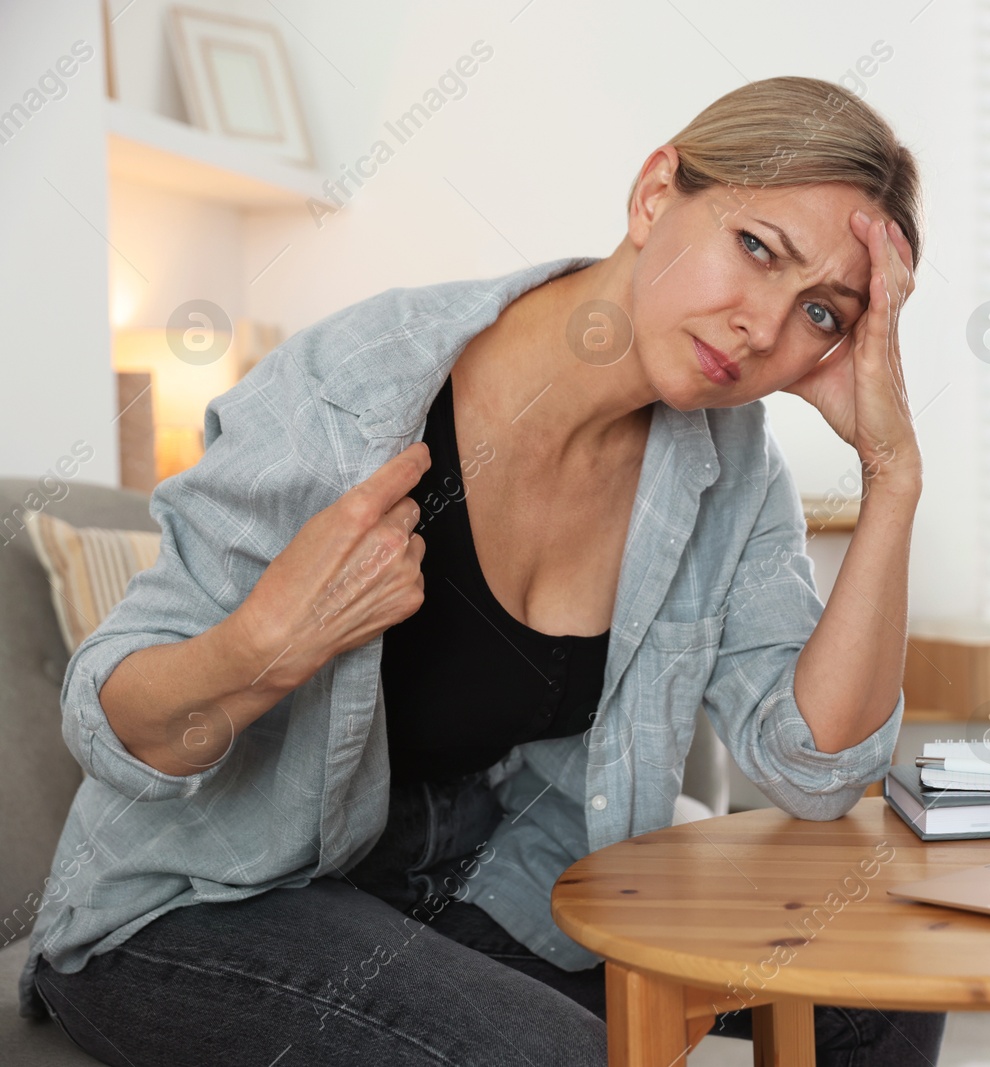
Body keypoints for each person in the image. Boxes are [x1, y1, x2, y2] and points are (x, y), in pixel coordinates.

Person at [19, 75, 942, 1065]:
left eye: (819, 311)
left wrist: (890, 472)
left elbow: (815, 768)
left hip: (466, 886)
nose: (762, 324)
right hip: (203, 898)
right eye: (755, 248)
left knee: (876, 983)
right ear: (654, 193)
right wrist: (266, 645)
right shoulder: (356, 391)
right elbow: (115, 727)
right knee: (553, 1053)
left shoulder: (730, 468)